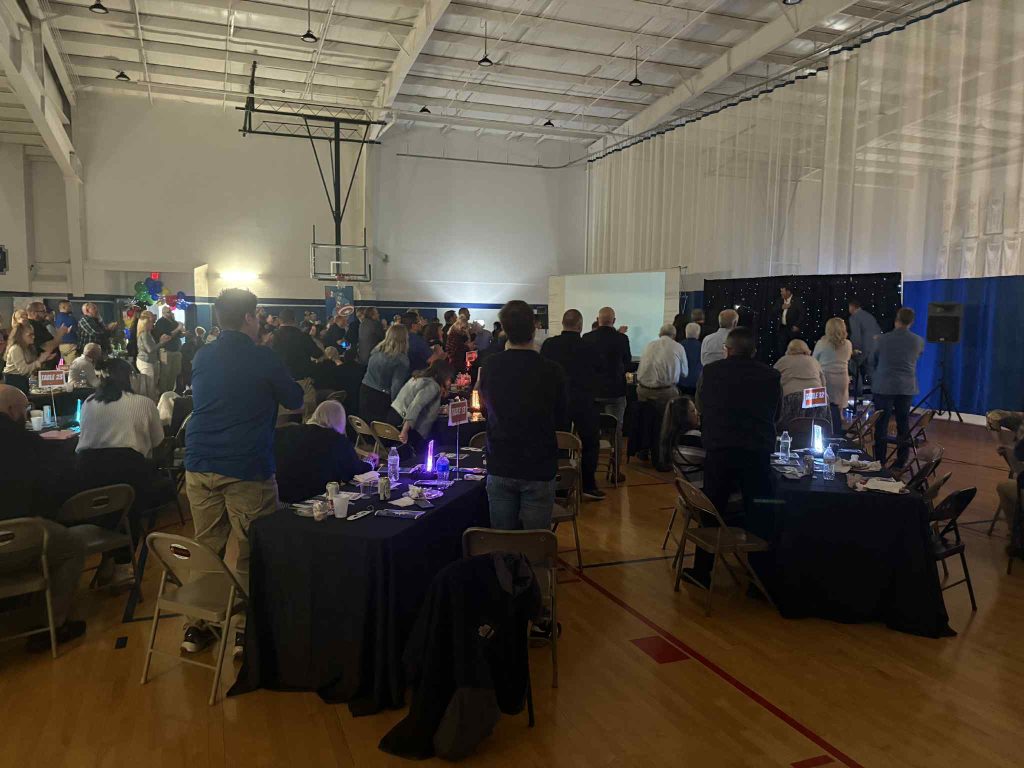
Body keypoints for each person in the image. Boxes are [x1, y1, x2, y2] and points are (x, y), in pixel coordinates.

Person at [183, 288, 304, 657]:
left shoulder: (203, 354)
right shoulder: (263, 356)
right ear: (250, 318)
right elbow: (295, 400)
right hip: (246, 465)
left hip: (199, 463)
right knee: (253, 551)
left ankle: (197, 626)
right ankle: (245, 634)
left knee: (207, 548)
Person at [689, 327, 781, 589]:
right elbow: (776, 413)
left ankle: (702, 572)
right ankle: (758, 579)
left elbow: (701, 405)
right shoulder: (771, 375)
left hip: (720, 449)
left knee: (712, 510)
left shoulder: (711, 372)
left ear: (727, 350)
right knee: (759, 512)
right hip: (757, 451)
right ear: (754, 351)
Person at [0, 384, 88, 650]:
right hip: (20, 535)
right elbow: (52, 487)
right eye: (25, 409)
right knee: (73, 547)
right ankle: (52, 624)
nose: (26, 414)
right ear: (12, 410)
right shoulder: (24, 442)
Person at [75, 357, 171, 583]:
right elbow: (158, 442)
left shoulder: (89, 402)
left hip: (86, 468)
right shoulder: (144, 403)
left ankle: (108, 558)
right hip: (127, 466)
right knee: (130, 511)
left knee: (105, 510)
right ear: (129, 378)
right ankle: (123, 566)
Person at [479, 300, 568, 531]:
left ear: (504, 330)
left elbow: (485, 409)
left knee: (502, 540)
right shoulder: (552, 370)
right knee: (535, 542)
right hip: (539, 463)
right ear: (534, 328)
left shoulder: (490, 366)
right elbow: (561, 417)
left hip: (501, 460)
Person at [541, 309, 604, 500]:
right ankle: (588, 485)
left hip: (556, 401)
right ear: (580, 325)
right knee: (590, 442)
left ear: (563, 323)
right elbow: (599, 371)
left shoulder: (550, 345)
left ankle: (560, 486)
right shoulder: (589, 347)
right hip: (584, 401)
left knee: (559, 442)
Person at [274, 400, 376, 504]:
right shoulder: (336, 439)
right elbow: (354, 470)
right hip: (313, 497)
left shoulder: (287, 431)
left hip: (280, 494)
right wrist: (370, 461)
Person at [872, 307, 924, 468]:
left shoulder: (882, 339)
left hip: (884, 385)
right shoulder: (918, 341)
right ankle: (901, 461)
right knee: (903, 422)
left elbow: (873, 360)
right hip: (906, 387)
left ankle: (879, 461)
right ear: (911, 322)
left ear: (897, 319)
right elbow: (917, 356)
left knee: (881, 423)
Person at [583, 306, 631, 482]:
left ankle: (588, 471)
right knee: (616, 431)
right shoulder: (622, 339)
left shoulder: (587, 338)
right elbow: (627, 363)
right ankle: (615, 472)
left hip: (592, 393)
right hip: (615, 392)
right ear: (614, 321)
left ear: (598, 319)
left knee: (590, 430)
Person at [637, 324, 687, 464]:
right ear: (674, 335)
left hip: (642, 390)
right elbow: (685, 372)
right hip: (665, 392)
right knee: (666, 422)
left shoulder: (649, 345)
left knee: (645, 419)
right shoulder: (678, 347)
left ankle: (643, 449)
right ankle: (662, 456)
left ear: (660, 334)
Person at [385, 359, 454, 454]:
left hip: (393, 416)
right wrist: (404, 431)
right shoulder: (432, 386)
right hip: (402, 423)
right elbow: (416, 406)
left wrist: (439, 410)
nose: (450, 382)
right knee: (436, 439)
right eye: (449, 378)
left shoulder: (418, 378)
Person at [271, 308, 321, 419]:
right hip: (303, 383)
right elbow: (318, 354)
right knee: (308, 418)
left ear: (280, 320)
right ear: (294, 320)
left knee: (281, 420)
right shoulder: (303, 336)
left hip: (280, 383)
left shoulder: (272, 337)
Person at [360, 323, 410, 425]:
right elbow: (396, 387)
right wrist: (399, 408)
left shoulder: (375, 351)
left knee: (368, 427)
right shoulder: (401, 360)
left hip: (365, 391)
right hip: (381, 398)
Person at [773, 339, 829, 428]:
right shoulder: (813, 360)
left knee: (792, 427)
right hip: (817, 394)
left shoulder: (783, 360)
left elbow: (773, 379)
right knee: (817, 426)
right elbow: (823, 382)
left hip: (793, 395)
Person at [813, 317, 853, 434]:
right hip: (842, 378)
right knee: (838, 408)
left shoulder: (821, 344)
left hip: (825, 378)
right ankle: (838, 431)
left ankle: (826, 431)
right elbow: (848, 358)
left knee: (826, 408)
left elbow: (814, 360)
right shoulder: (848, 344)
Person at [4, 322, 55, 393]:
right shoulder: (16, 348)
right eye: (30, 335)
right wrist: (39, 360)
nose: (33, 337)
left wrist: (44, 360)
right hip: (14, 381)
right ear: (20, 336)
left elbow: (31, 366)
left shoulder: (28, 347)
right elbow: (23, 370)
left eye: (33, 334)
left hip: (23, 380)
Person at [848, 298, 881, 398]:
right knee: (871, 371)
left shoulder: (854, 317)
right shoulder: (869, 316)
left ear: (852, 307)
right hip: (875, 347)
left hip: (862, 348)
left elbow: (856, 335)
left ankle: (858, 394)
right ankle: (877, 394)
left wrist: (854, 350)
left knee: (854, 368)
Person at [153, 306, 185, 394]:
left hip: (176, 350)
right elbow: (167, 336)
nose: (170, 313)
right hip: (166, 350)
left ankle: (170, 391)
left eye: (170, 311)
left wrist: (183, 333)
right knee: (165, 372)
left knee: (174, 372)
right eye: (168, 312)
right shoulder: (161, 322)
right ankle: (163, 393)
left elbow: (178, 334)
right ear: (163, 313)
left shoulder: (173, 321)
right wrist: (178, 328)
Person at [26, 301, 65, 371]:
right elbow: (47, 347)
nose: (45, 314)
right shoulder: (34, 327)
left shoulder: (40, 325)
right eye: (43, 311)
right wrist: (60, 334)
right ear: (33, 313)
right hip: (44, 366)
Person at [134, 310, 163, 401]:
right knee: (149, 386)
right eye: (150, 322)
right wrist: (161, 342)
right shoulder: (144, 334)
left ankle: (153, 401)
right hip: (146, 361)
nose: (153, 323)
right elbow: (150, 350)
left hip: (152, 361)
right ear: (145, 324)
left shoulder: (149, 334)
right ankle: (150, 403)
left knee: (153, 385)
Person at [773, 285, 802, 360]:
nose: (781, 293)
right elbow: (773, 310)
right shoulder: (779, 301)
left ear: (788, 292)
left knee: (793, 349)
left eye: (782, 291)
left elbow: (802, 314)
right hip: (782, 328)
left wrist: (797, 325)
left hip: (792, 329)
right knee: (781, 349)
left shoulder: (797, 300)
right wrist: (781, 307)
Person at [679, 322, 703, 394]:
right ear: (698, 333)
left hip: (680, 382)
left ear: (686, 332)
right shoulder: (702, 346)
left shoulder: (678, 346)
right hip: (696, 383)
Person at [54, 301, 79, 365]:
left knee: (64, 366)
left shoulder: (58, 318)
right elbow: (77, 329)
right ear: (64, 307)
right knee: (72, 366)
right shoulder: (70, 319)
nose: (71, 308)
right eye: (69, 306)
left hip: (61, 345)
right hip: (70, 345)